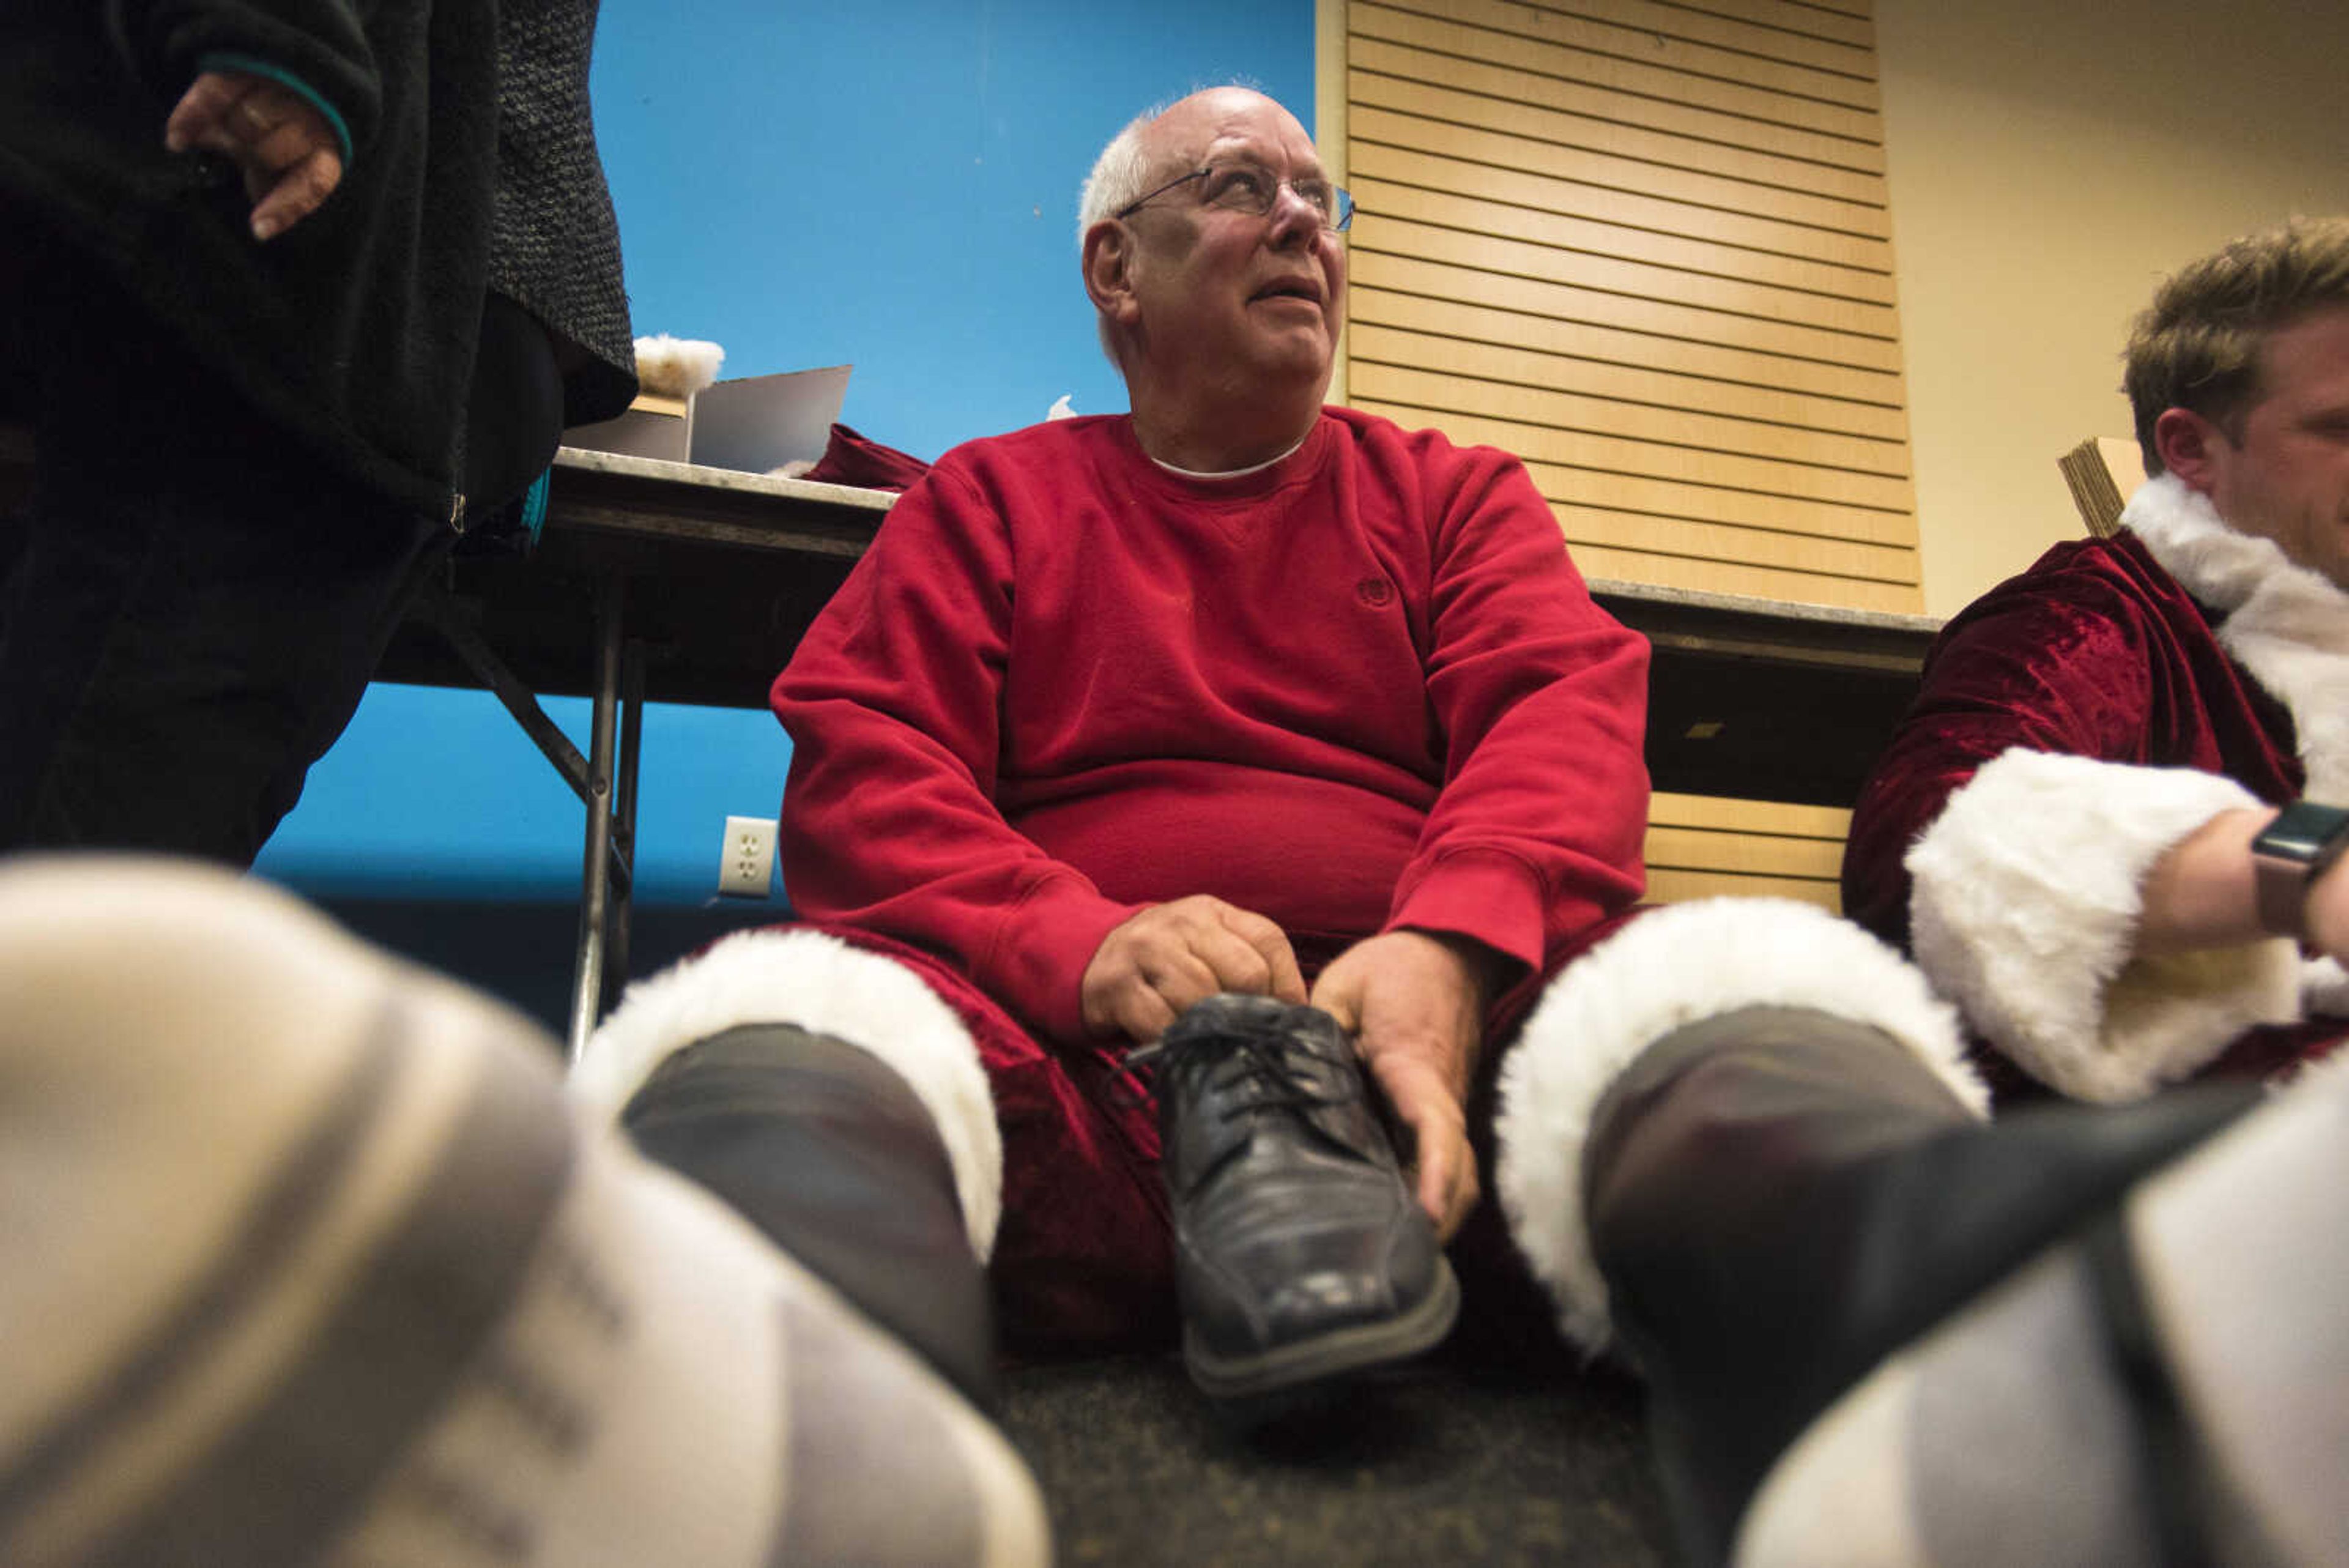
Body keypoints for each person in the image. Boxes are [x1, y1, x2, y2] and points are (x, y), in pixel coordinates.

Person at [5, 98, 2339, 1568]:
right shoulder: (1000, 503)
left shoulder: (1458, 496)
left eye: (1318, 196)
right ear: (1115, 274)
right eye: (1241, 190)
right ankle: (750, 1437)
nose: (1301, 223)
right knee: (800, 1032)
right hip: (1082, 1051)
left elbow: (1557, 710)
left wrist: (1442, 948)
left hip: (1450, 1054)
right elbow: (871, 763)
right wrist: (1085, 937)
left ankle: (1988, 1354)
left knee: (1719, 1013)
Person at [0, 0, 634, 865]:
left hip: (276, 266)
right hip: (414, 303)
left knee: (72, 894)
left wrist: (277, 30)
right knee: (125, 865)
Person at [1842, 218, 2349, 1104]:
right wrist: (2311, 861)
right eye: (2343, 428)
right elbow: (1923, 844)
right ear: (2191, 450)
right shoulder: (2097, 611)